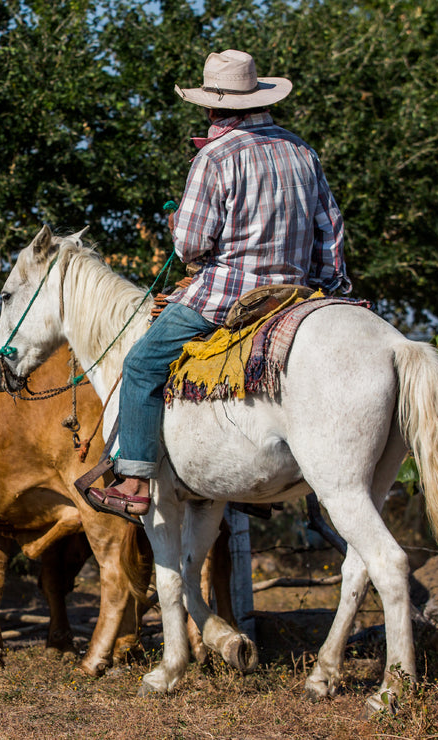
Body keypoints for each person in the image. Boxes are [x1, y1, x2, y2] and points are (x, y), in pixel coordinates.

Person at [86, 49, 351, 520]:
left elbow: (190, 246)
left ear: (211, 108)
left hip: (226, 297)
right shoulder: (301, 151)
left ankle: (134, 479)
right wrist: (331, 289)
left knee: (142, 365)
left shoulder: (214, 157)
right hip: (294, 295)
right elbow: (330, 228)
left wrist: (176, 227)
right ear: (259, 99)